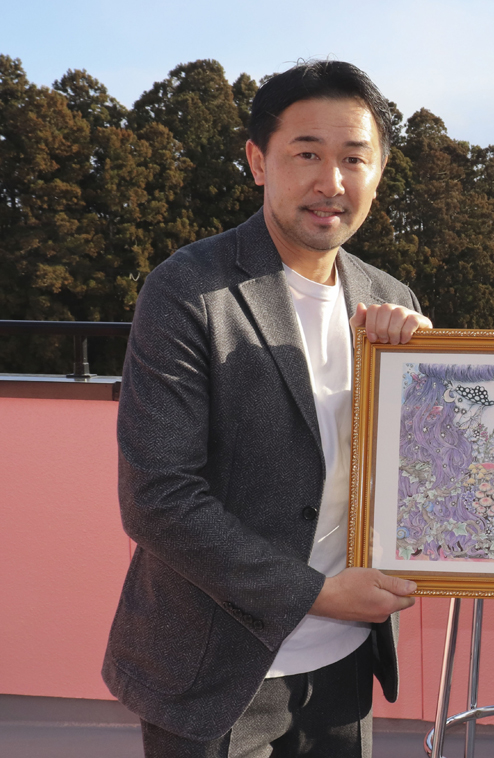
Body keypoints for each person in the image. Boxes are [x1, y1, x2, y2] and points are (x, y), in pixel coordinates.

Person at [102, 60, 431, 757]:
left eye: (354, 159)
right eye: (306, 154)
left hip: (346, 666)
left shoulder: (390, 298)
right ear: (258, 161)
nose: (330, 182)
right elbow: (158, 499)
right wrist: (317, 594)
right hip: (215, 671)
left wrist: (432, 377)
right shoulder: (189, 291)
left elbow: (425, 477)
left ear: (379, 172)